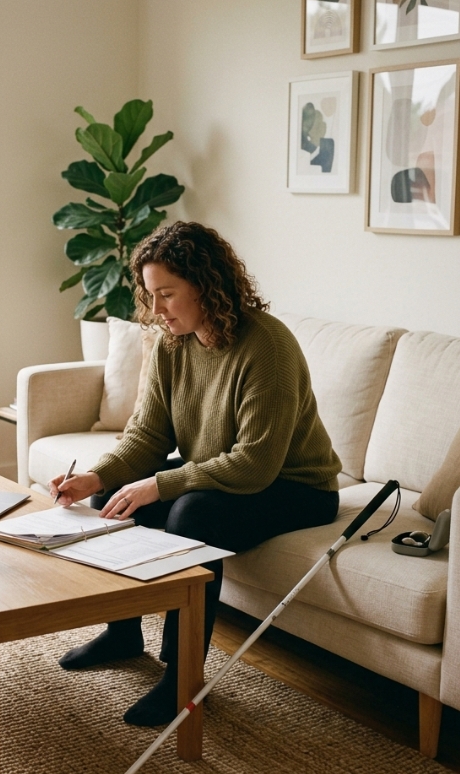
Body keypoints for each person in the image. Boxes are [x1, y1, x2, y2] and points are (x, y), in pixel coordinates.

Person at [50, 220, 341, 727]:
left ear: (207, 287)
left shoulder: (267, 346)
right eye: (151, 294)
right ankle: (123, 633)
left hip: (295, 485)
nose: (157, 310)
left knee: (192, 513)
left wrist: (160, 483)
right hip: (222, 470)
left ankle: (183, 677)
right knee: (114, 498)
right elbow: (147, 437)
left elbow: (254, 464)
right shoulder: (171, 342)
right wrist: (95, 479)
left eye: (167, 294)